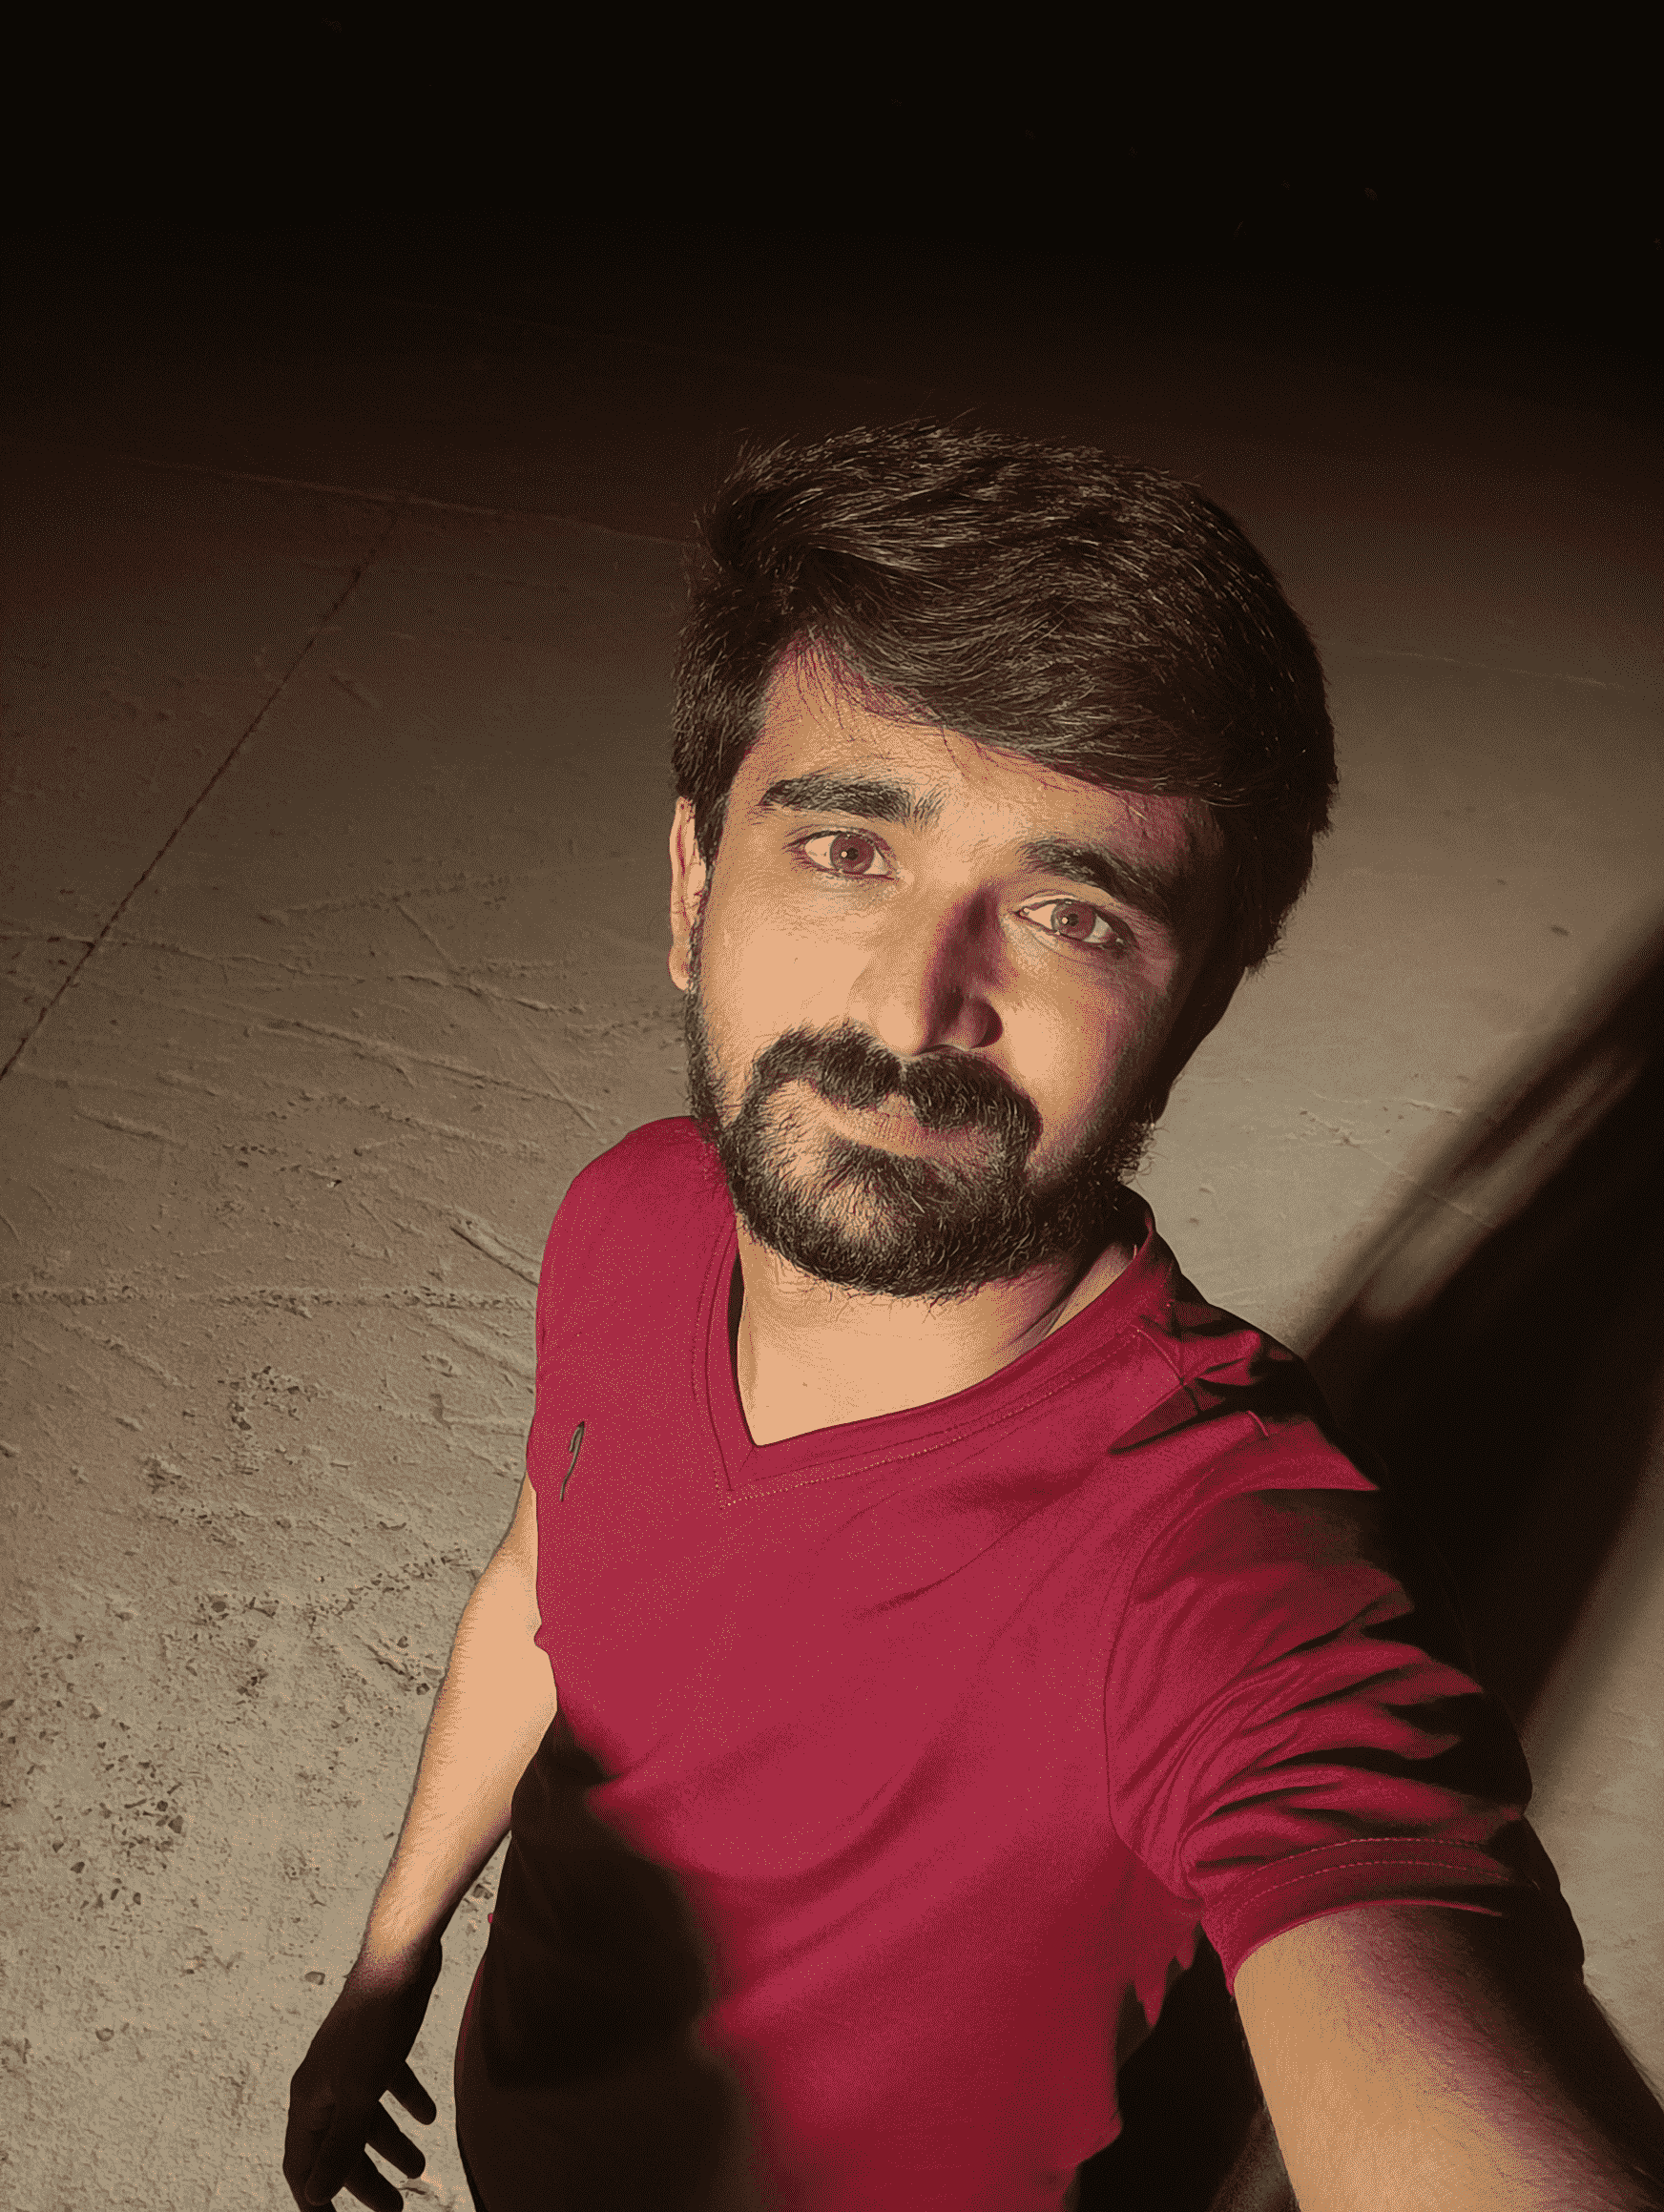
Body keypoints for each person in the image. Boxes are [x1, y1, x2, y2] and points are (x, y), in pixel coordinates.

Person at [284, 423, 1664, 2212]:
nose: (914, 1005)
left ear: (1199, 1003)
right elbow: (546, 1584)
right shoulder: (631, 1215)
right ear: (693, 888)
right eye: (846, 847)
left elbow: (1384, 1901)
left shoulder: (1214, 1561)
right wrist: (385, 1973)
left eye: (1073, 914)